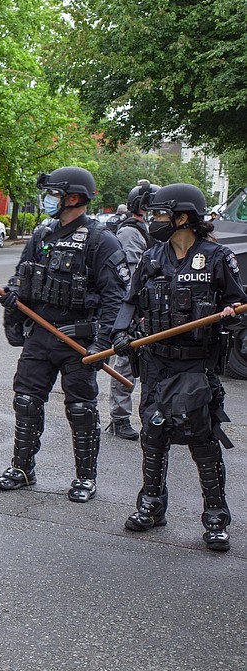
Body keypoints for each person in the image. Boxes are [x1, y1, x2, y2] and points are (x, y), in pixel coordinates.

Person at [112, 182, 247, 551]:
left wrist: (229, 315)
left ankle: (216, 517)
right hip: (156, 362)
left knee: (201, 439)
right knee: (153, 434)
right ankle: (151, 505)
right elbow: (130, 301)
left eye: (160, 213)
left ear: (183, 217)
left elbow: (238, 306)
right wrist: (121, 333)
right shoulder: (151, 257)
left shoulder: (217, 258)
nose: (154, 220)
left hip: (196, 365)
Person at [0, 166, 126, 502]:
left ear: (74, 197)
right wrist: (13, 294)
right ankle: (22, 468)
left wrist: (102, 343)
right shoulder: (42, 235)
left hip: (78, 340)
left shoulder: (100, 240)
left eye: (53, 193)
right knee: (25, 401)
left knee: (81, 408)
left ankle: (85, 478)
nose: (47, 199)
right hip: (41, 334)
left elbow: (116, 297)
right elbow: (21, 277)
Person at [107, 180, 157, 440]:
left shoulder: (145, 229)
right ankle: (119, 417)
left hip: (147, 307)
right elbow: (130, 274)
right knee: (125, 361)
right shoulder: (130, 232)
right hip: (131, 307)